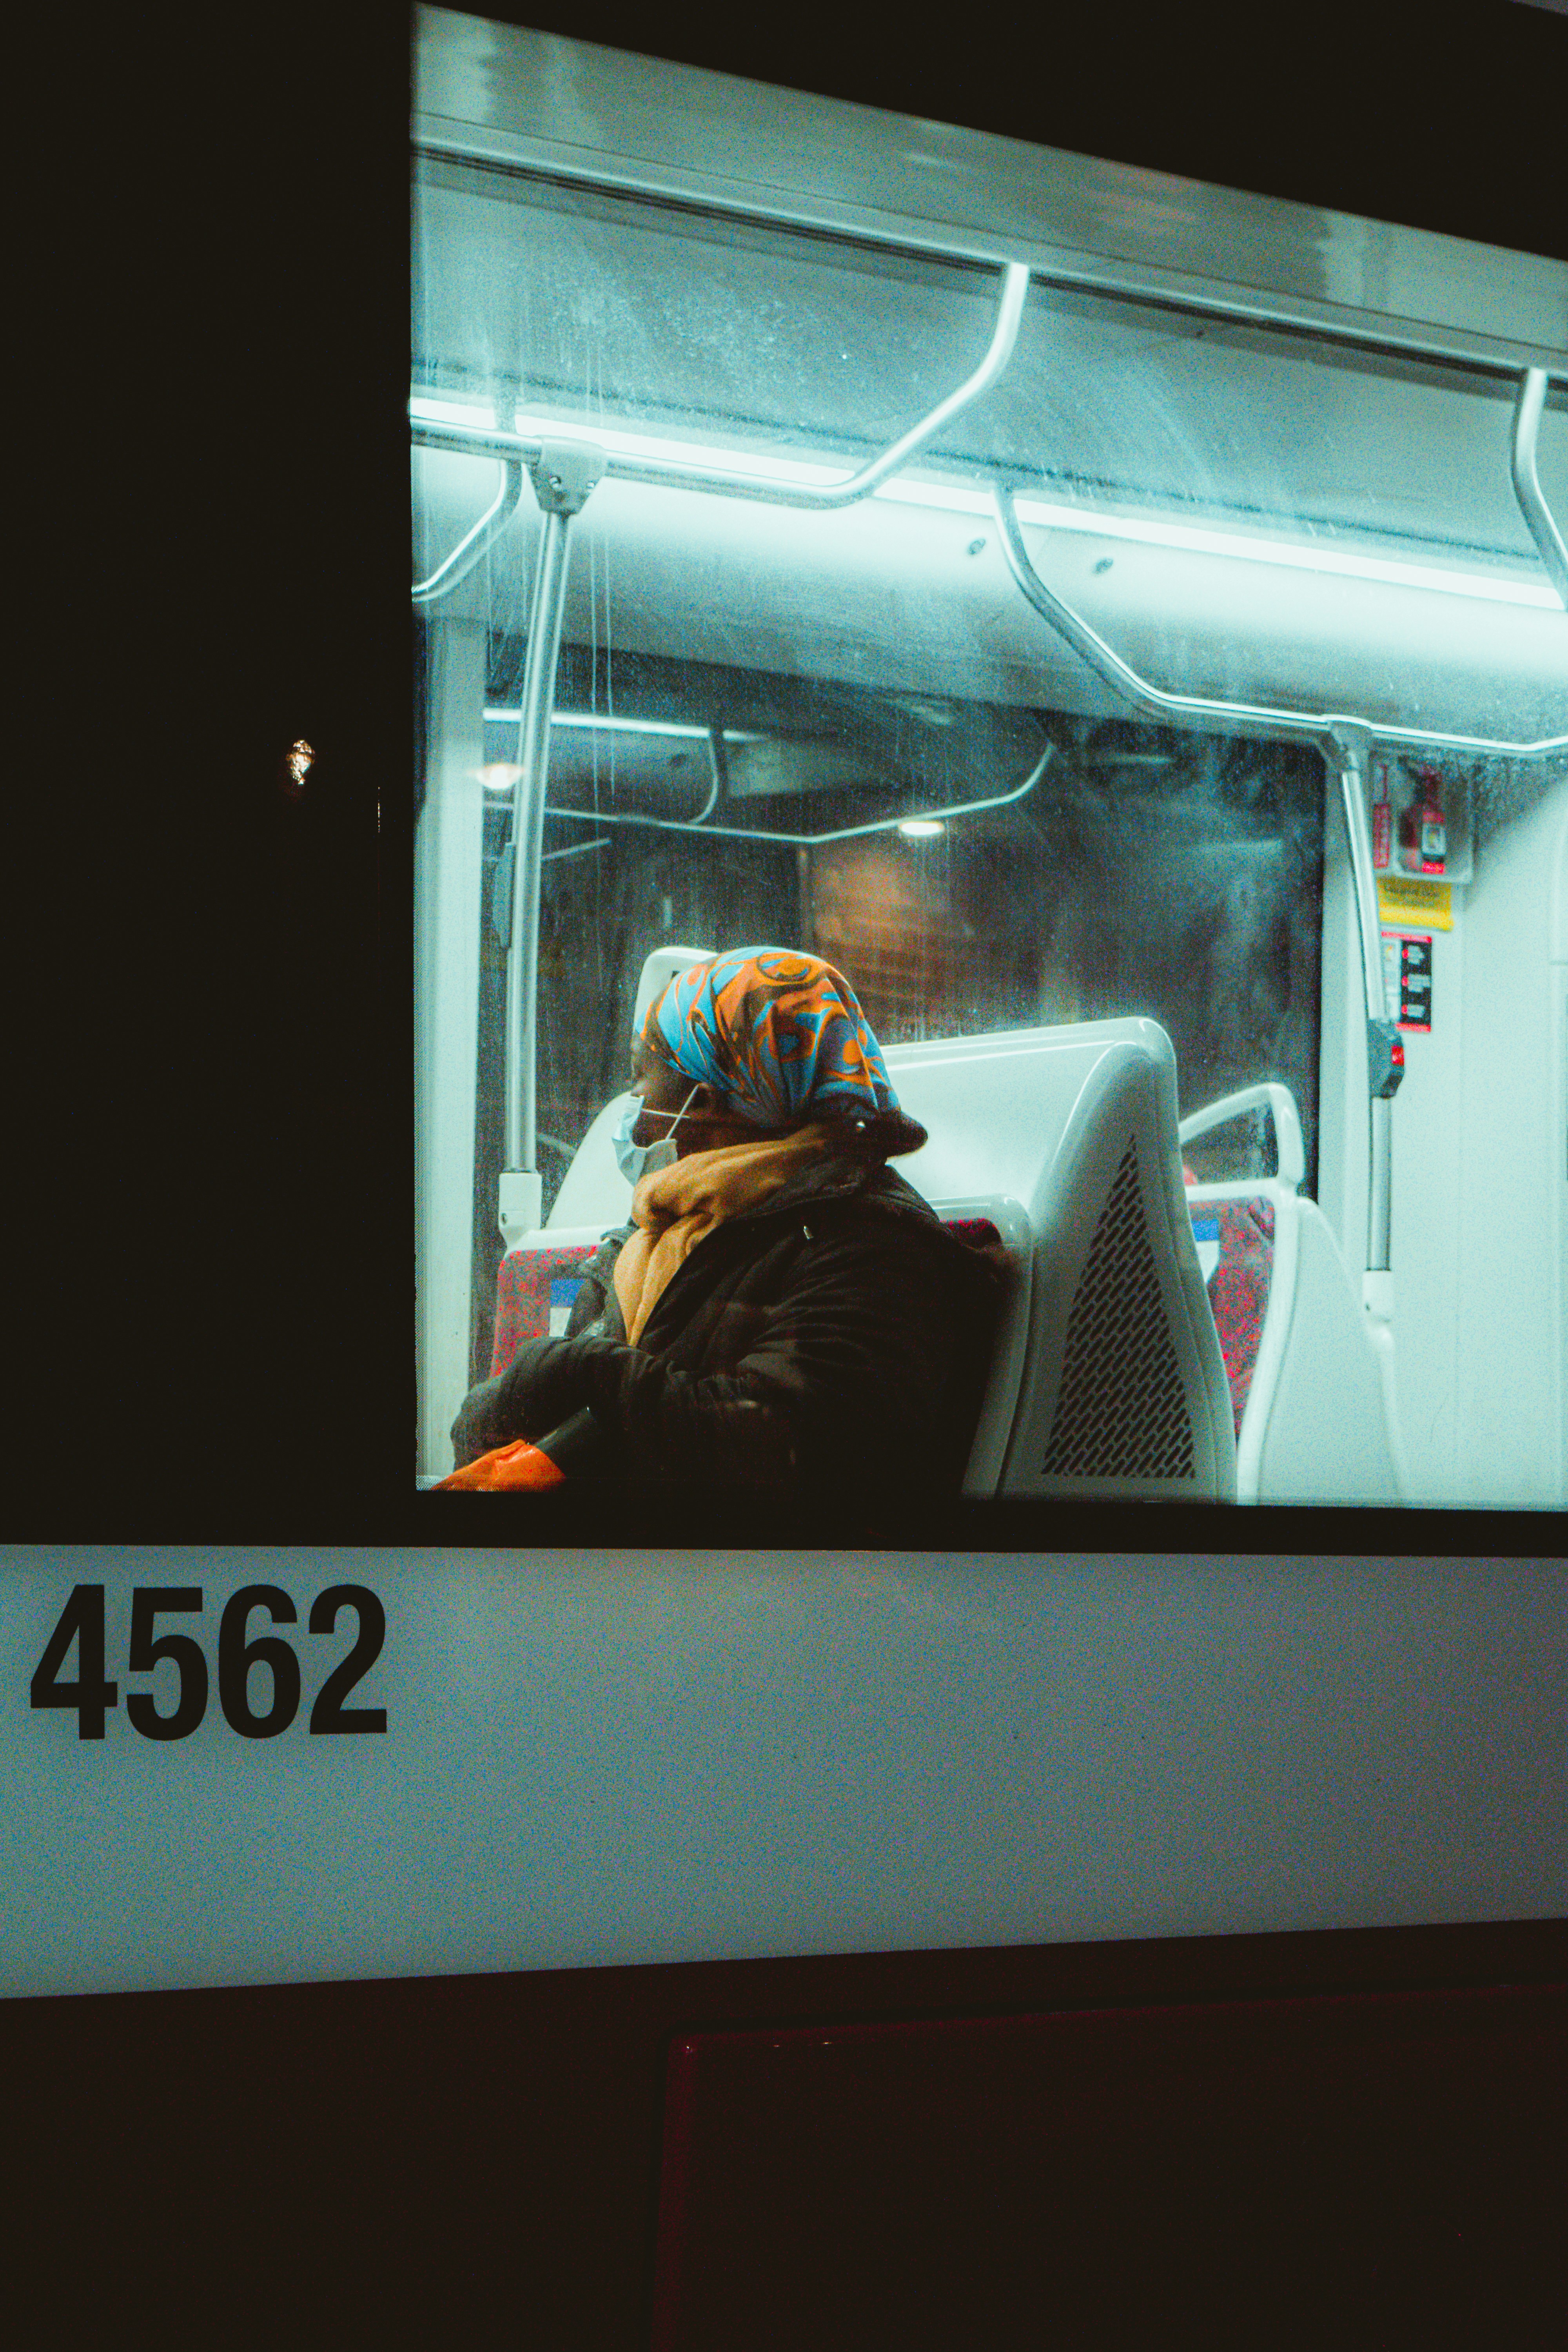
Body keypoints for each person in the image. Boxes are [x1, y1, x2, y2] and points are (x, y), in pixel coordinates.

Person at [440, 946, 1000, 1518]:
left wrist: (570, 1374)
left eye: (642, 1078)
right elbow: (504, 1425)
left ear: (703, 1100)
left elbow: (786, 1446)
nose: (632, 1104)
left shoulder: (876, 1250)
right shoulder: (657, 1234)